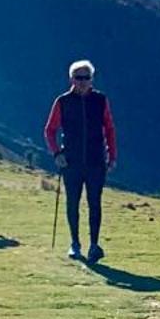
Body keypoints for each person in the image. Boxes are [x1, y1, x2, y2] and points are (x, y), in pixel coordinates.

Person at [44, 59, 116, 262]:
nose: (83, 81)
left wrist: (112, 155)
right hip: (71, 161)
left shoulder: (101, 100)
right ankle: (75, 243)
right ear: (71, 79)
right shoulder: (62, 101)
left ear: (92, 79)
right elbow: (50, 130)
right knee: (72, 202)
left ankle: (94, 245)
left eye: (86, 77)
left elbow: (109, 128)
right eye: (79, 78)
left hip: (96, 161)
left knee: (95, 203)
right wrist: (57, 153)